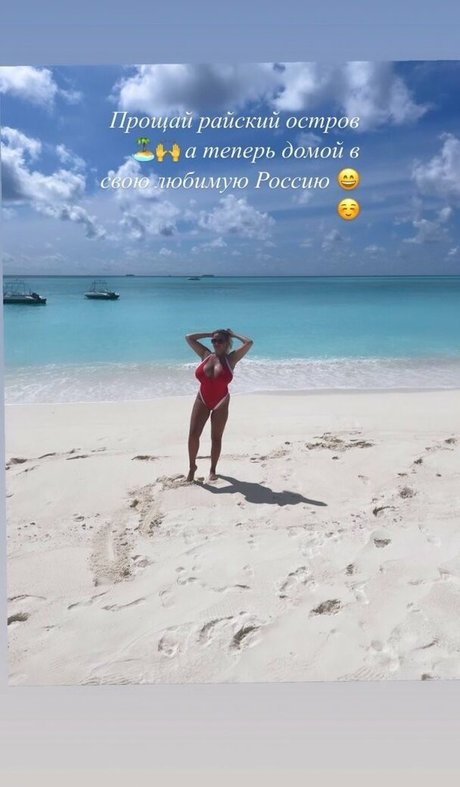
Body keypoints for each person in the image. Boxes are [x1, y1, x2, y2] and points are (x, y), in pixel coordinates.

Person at [185, 328, 253, 482]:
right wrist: (209, 334)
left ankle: (212, 470)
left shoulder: (231, 359)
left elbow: (249, 343)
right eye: (213, 340)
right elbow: (189, 338)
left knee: (216, 438)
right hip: (202, 399)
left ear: (227, 343)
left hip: (221, 402)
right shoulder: (205, 354)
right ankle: (192, 467)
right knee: (193, 435)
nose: (216, 343)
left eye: (220, 340)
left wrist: (233, 334)